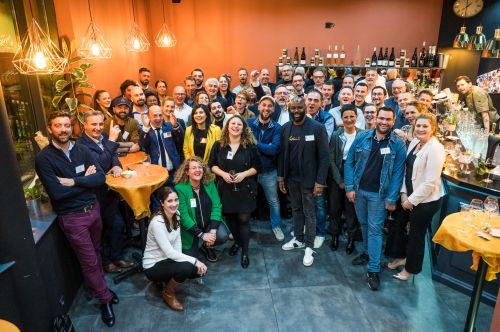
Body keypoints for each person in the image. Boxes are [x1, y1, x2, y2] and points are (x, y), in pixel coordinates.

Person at [35, 111, 117, 327]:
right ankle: (105, 299)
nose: (63, 129)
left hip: (94, 210)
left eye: (66, 125)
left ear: (72, 127)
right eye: (58, 126)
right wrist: (83, 179)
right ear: (50, 128)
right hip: (72, 217)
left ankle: (101, 288)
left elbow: (100, 178)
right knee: (89, 260)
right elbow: (57, 193)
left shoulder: (82, 149)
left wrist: (73, 182)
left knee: (97, 252)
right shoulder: (44, 158)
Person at [344, 106, 406, 291]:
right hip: (358, 191)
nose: (384, 122)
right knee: (363, 224)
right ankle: (367, 252)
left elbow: (397, 173)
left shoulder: (398, 144)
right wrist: (349, 187)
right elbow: (349, 162)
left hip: (379, 195)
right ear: (375, 118)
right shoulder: (363, 137)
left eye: (388, 119)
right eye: (381, 118)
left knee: (374, 230)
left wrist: (391, 198)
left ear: (393, 121)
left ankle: (373, 269)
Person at [388, 113, 445, 281]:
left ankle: (410, 269)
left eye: (425, 126)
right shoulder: (414, 142)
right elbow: (407, 170)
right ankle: (402, 257)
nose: (420, 129)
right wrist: (404, 193)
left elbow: (430, 183)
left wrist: (410, 201)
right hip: (408, 195)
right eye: (418, 126)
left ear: (433, 128)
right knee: (399, 225)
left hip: (426, 201)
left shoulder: (436, 148)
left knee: (416, 235)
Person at [77, 110, 134, 273]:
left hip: (109, 192)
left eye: (100, 124)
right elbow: (100, 165)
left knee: (118, 225)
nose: (98, 127)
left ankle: (116, 257)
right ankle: (106, 262)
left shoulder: (103, 138)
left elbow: (112, 156)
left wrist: (116, 165)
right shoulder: (81, 145)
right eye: (93, 124)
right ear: (85, 125)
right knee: (101, 230)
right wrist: (111, 141)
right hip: (95, 195)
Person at [278, 96, 329, 266]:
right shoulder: (285, 128)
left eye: (299, 108)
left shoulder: (318, 128)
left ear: (305, 107)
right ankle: (298, 238)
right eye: (293, 108)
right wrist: (281, 177)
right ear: (289, 108)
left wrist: (320, 182)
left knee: (310, 213)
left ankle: (309, 247)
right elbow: (282, 154)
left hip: (310, 181)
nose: (296, 111)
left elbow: (324, 157)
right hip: (291, 179)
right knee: (296, 209)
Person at [209, 115, 261, 269]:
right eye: (233, 123)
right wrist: (223, 174)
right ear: (227, 126)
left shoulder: (250, 145)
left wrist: (243, 174)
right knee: (230, 218)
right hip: (226, 189)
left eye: (239, 124)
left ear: (243, 128)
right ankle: (237, 243)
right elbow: (211, 165)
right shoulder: (219, 145)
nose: (236, 126)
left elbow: (258, 167)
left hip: (245, 188)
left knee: (244, 220)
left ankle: (245, 252)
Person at [142, 187, 207, 311]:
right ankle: (168, 293)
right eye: (170, 201)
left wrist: (184, 262)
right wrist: (194, 261)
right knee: (188, 267)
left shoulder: (176, 214)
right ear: (162, 203)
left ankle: (168, 278)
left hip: (167, 259)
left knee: (196, 271)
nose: (174, 204)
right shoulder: (157, 223)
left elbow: (177, 242)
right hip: (152, 265)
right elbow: (170, 252)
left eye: (176, 200)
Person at [174, 157, 229, 262]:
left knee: (222, 235)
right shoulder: (180, 189)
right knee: (189, 260)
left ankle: (207, 246)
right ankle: (200, 242)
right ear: (187, 172)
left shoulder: (209, 184)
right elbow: (184, 217)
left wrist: (212, 232)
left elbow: (217, 206)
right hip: (192, 230)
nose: (198, 170)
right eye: (194, 168)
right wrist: (202, 235)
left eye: (200, 167)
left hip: (209, 225)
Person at [328, 104, 363, 253]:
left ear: (356, 117)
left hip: (355, 173)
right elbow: (330, 159)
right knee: (335, 208)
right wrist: (339, 180)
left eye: (351, 116)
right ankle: (334, 235)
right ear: (341, 119)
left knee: (351, 210)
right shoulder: (336, 135)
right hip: (338, 172)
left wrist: (352, 182)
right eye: (345, 117)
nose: (349, 119)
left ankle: (350, 239)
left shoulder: (363, 134)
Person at [248, 96, 284, 241]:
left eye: (270, 106)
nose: (266, 108)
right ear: (258, 107)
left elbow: (274, 150)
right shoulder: (248, 123)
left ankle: (276, 226)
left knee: (273, 201)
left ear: (273, 109)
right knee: (247, 199)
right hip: (249, 171)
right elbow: (245, 146)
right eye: (264, 105)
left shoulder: (277, 128)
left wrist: (255, 142)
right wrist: (265, 146)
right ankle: (244, 226)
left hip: (268, 171)